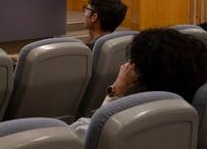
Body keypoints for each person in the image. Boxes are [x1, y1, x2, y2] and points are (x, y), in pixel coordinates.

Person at [70, 27, 207, 139]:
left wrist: (116, 89)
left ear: (142, 73)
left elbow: (92, 132)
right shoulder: (193, 109)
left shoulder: (133, 118)